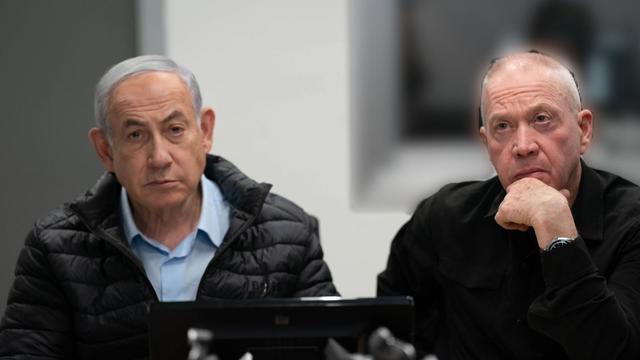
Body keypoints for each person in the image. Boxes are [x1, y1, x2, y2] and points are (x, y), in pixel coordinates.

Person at [0, 55, 338, 359]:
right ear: (106, 150)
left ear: (204, 131)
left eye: (175, 130)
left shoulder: (287, 233)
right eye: (135, 136)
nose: (159, 158)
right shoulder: (56, 246)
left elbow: (334, 347)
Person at [378, 51, 640, 359]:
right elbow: (389, 324)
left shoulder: (632, 223)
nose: (523, 146)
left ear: (583, 130)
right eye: (502, 126)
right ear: (486, 143)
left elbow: (619, 352)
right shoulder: (444, 218)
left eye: (542, 119)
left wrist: (559, 236)